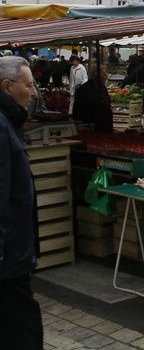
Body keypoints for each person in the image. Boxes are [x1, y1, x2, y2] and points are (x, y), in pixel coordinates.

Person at [0, 56, 42, 348]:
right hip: (9, 258)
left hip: (14, 254)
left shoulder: (8, 122)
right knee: (21, 332)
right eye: (28, 85)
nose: (34, 92)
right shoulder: (1, 127)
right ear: (7, 86)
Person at [72, 64, 113, 132]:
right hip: (90, 128)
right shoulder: (85, 89)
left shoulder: (102, 88)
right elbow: (78, 111)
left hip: (104, 128)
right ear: (96, 75)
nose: (106, 77)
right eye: (104, 75)